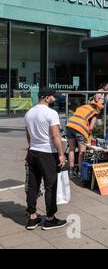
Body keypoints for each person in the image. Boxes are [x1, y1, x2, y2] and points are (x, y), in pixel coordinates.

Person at [24, 87, 67, 230]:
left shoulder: (29, 113)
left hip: (33, 152)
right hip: (47, 153)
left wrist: (31, 147)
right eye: (53, 97)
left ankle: (32, 217)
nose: (55, 99)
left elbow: (28, 134)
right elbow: (55, 136)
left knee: (33, 185)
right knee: (50, 185)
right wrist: (61, 154)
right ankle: (50, 219)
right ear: (47, 98)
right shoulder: (51, 113)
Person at [66, 99, 104, 177]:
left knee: (71, 149)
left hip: (69, 125)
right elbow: (90, 128)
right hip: (80, 128)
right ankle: (80, 173)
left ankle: (71, 172)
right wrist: (90, 136)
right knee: (82, 151)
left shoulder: (82, 107)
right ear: (98, 108)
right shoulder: (95, 112)